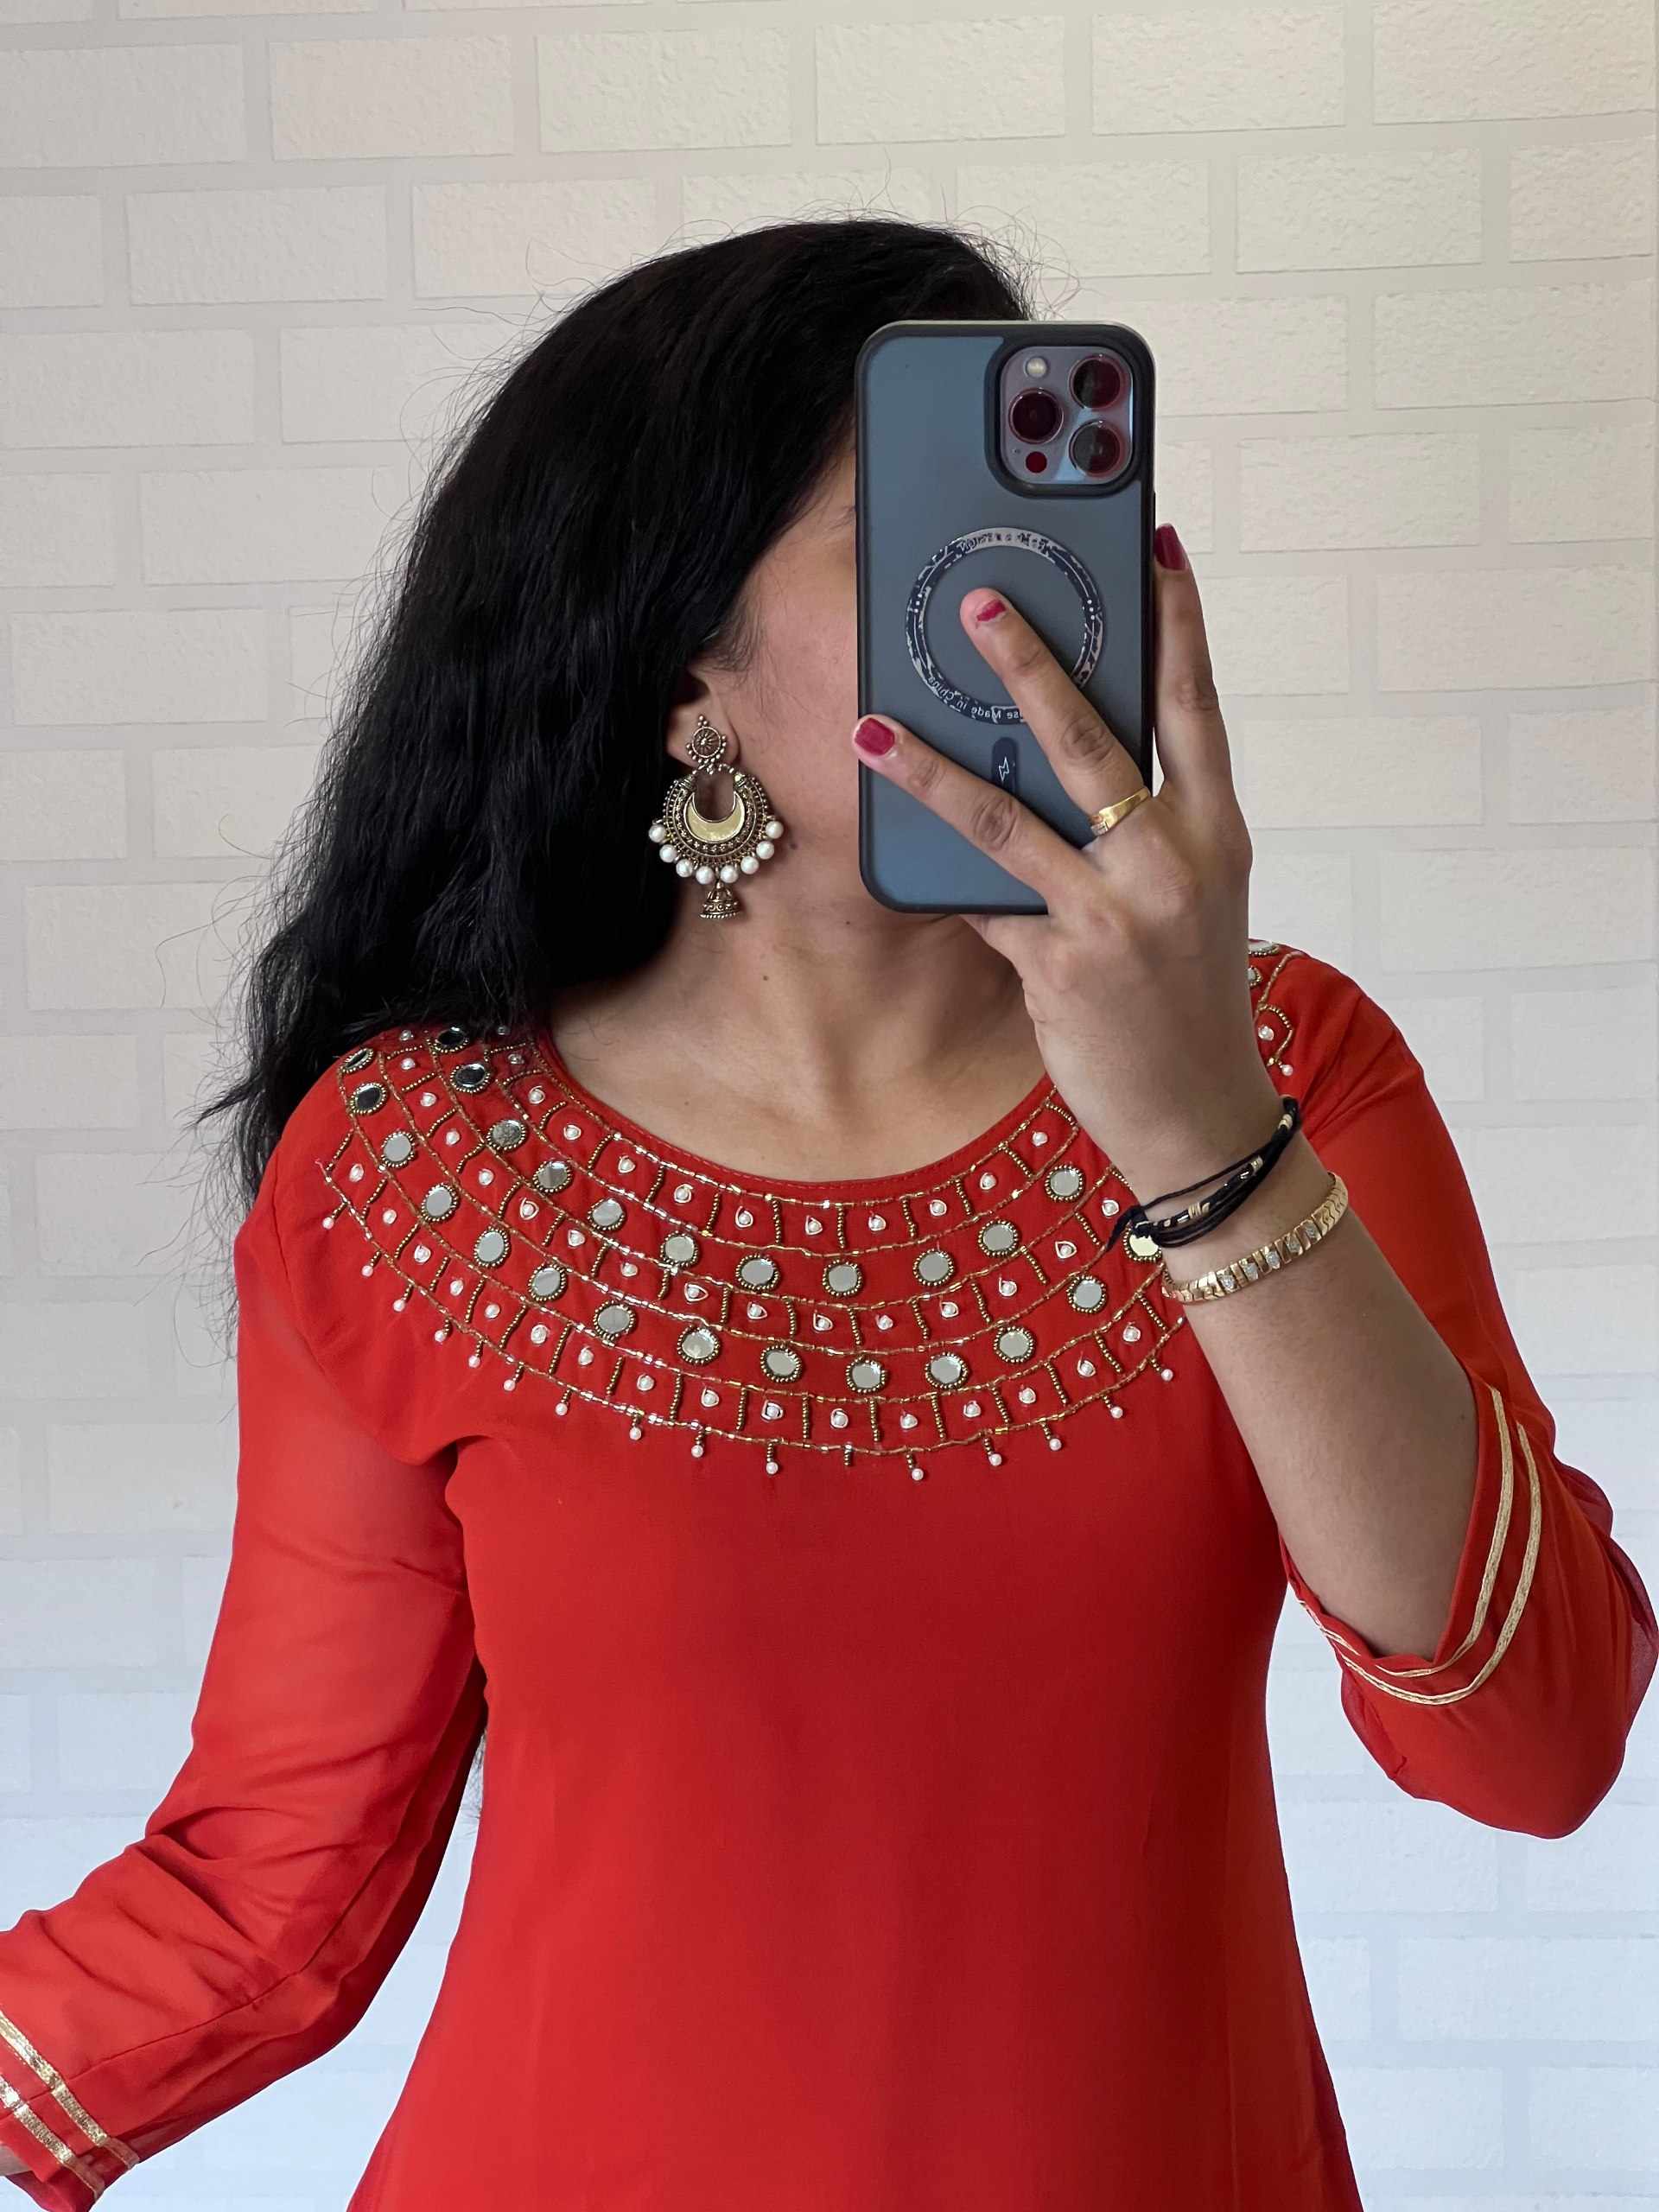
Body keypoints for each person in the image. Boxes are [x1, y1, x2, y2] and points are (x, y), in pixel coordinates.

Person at [1, 216, 1653, 2212]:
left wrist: (1201, 1127)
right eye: (930, 544)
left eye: (1058, 537)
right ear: (683, 661)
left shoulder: (1294, 1069)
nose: (1024, 610)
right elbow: (265, 1893)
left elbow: (1538, 1741)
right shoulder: (417, 1164)